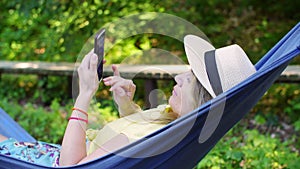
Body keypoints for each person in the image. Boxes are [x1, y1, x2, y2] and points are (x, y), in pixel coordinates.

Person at [0, 35, 256, 167]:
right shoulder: (175, 123)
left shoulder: (148, 140)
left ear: (203, 101)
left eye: (189, 79)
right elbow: (136, 132)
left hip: (44, 162)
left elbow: (71, 166)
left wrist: (85, 94)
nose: (178, 78)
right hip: (45, 151)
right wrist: (126, 105)